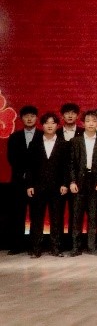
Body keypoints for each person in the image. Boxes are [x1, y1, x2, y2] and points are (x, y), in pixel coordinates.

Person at [25, 112, 70, 258]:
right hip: (38, 187)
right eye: (46, 123)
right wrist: (29, 185)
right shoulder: (34, 144)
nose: (50, 125)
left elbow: (66, 167)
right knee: (36, 219)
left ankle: (56, 248)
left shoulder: (63, 144)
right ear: (42, 125)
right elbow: (29, 167)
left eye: (53, 123)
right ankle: (35, 249)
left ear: (57, 125)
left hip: (57, 188)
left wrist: (65, 184)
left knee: (57, 218)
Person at [67, 110, 97, 255]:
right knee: (76, 216)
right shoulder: (75, 141)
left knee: (93, 216)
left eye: (94, 121)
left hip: (95, 181)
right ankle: (75, 247)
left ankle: (92, 247)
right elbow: (71, 164)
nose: (91, 123)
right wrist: (72, 181)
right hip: (79, 181)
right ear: (83, 123)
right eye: (88, 121)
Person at [5, 105, 40, 255]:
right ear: (21, 118)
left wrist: (32, 174)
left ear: (36, 118)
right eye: (26, 116)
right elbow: (11, 158)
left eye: (32, 116)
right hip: (18, 181)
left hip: (37, 182)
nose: (29, 118)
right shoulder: (14, 137)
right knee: (18, 213)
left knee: (35, 214)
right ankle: (17, 245)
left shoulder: (42, 135)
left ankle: (34, 245)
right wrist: (24, 173)